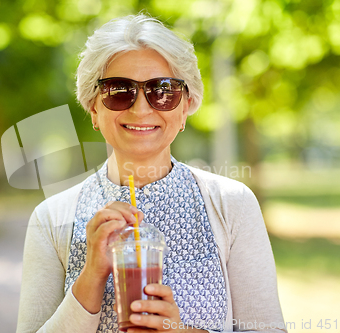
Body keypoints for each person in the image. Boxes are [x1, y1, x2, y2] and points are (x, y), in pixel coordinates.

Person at [16, 14, 287, 333]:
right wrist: (90, 276)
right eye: (118, 90)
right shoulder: (51, 218)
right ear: (93, 108)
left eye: (163, 91)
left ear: (185, 107)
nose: (141, 109)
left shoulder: (231, 204)